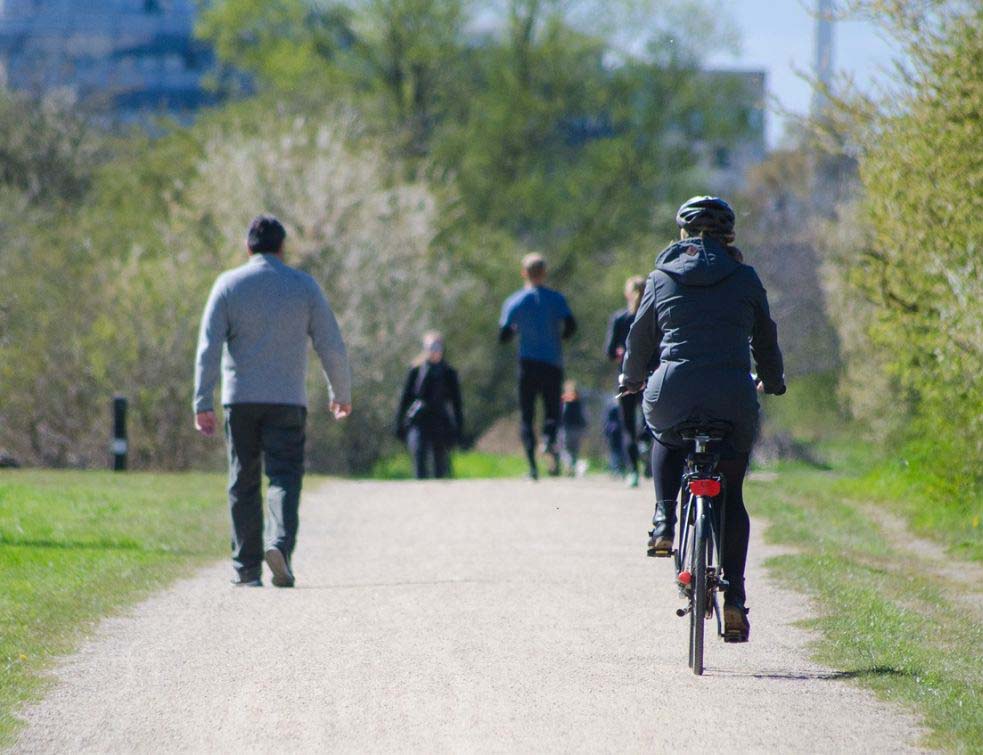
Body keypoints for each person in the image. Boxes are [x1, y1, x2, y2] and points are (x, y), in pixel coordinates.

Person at [620, 196, 785, 642]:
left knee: (665, 434)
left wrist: (630, 380)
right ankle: (734, 598)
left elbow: (639, 339)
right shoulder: (746, 278)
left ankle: (664, 520)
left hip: (673, 391)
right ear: (729, 237)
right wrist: (773, 380)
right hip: (733, 397)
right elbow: (765, 339)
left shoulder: (659, 277)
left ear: (682, 235)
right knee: (732, 495)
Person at [193, 215, 352, 588]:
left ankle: (247, 569)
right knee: (283, 477)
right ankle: (278, 545)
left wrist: (202, 401)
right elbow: (331, 342)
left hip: (241, 399)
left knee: (242, 480)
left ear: (248, 247)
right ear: (282, 248)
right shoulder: (303, 286)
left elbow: (208, 347)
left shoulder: (228, 284)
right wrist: (340, 392)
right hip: (287, 400)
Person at [499, 253, 577, 480]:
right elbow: (571, 326)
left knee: (527, 414)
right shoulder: (556, 299)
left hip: (527, 363)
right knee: (553, 409)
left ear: (524, 273)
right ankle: (548, 439)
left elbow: (503, 336)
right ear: (544, 273)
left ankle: (533, 468)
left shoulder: (514, 301)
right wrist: (558, 337)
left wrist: (516, 330)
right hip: (552, 362)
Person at [395, 331, 464, 479]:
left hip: (440, 420)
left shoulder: (448, 372)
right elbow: (405, 398)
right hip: (419, 420)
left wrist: (459, 428)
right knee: (418, 454)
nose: (434, 351)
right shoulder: (415, 370)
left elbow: (456, 403)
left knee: (440, 463)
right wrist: (399, 423)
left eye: (437, 347)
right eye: (431, 347)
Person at [605, 276, 647, 488]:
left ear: (626, 294)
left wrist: (621, 354)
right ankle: (646, 447)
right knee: (651, 420)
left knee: (628, 426)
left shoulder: (620, 319)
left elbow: (610, 351)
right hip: (650, 377)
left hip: (626, 378)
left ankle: (633, 471)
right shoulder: (653, 316)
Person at [559, 380, 588, 477]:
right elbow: (583, 415)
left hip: (567, 428)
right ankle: (573, 467)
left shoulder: (565, 401)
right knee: (574, 450)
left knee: (565, 449)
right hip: (578, 429)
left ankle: (570, 467)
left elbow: (562, 414)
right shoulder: (580, 401)